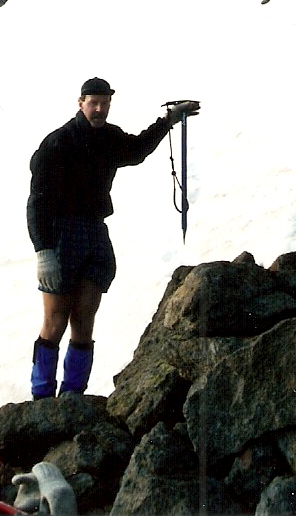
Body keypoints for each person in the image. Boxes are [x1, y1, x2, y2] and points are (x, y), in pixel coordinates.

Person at [26, 76, 199, 399]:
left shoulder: (109, 137)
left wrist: (168, 121)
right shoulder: (58, 143)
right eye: (93, 103)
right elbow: (37, 201)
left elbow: (136, 150)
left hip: (95, 231)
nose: (99, 109)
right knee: (56, 318)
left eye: (104, 103)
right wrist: (43, 251)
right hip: (61, 233)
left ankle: (73, 394)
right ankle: (42, 396)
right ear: (81, 103)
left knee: (84, 317)